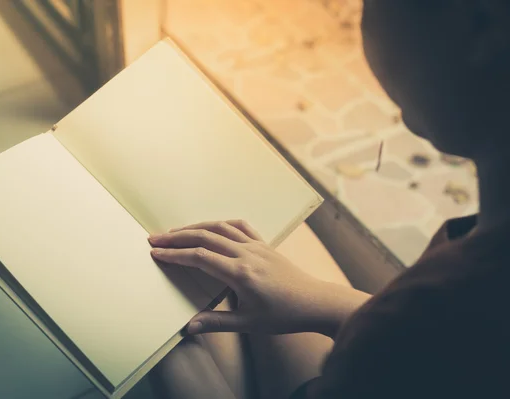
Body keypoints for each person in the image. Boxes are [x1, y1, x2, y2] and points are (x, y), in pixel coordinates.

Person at [147, 1, 510, 398]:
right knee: (250, 238)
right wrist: (319, 300)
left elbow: (416, 345)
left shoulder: (417, 322)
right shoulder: (458, 296)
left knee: (171, 329)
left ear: (478, 27)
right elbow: (441, 350)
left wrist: (164, 351)